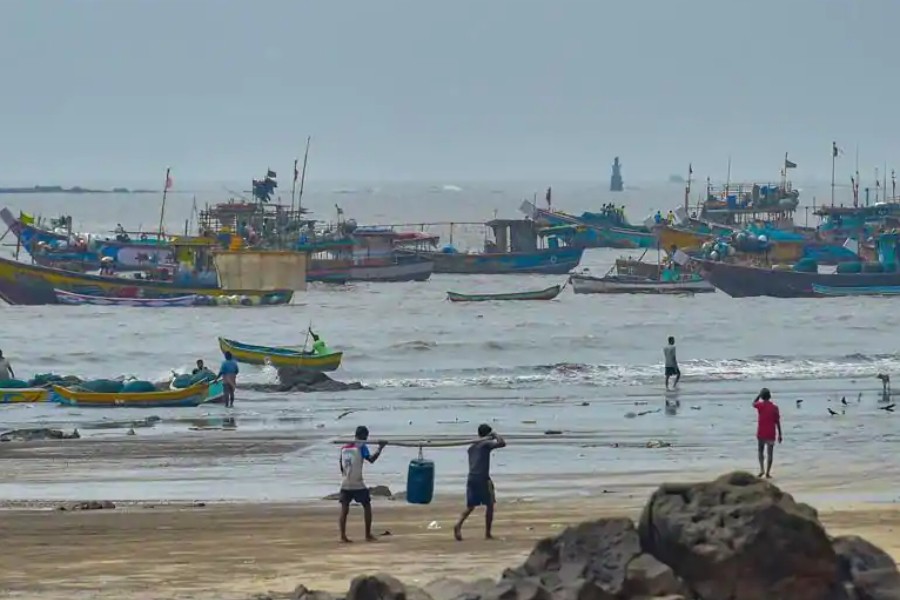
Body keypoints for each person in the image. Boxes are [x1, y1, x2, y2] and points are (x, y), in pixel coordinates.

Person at [454, 424, 506, 541]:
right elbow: (502, 443)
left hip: (471, 478)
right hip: (482, 478)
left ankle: (458, 524)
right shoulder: (485, 444)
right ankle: (488, 533)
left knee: (471, 506)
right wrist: (495, 435)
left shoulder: (472, 447)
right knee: (490, 504)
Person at [339, 425, 386, 543]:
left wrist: (347, 475)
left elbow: (341, 465)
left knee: (344, 509)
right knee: (366, 505)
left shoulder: (344, 448)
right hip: (357, 483)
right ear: (364, 436)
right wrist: (380, 448)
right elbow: (371, 459)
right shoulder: (362, 447)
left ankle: (343, 535)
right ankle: (367, 535)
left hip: (345, 482)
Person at [753, 388, 782, 478]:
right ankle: (768, 472)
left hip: (761, 432)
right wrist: (780, 434)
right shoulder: (775, 408)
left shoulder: (760, 405)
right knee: (770, 453)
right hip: (771, 433)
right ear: (769, 396)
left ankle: (762, 469)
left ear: (762, 396)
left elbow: (753, 403)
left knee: (760, 451)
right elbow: (777, 422)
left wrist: (759, 395)